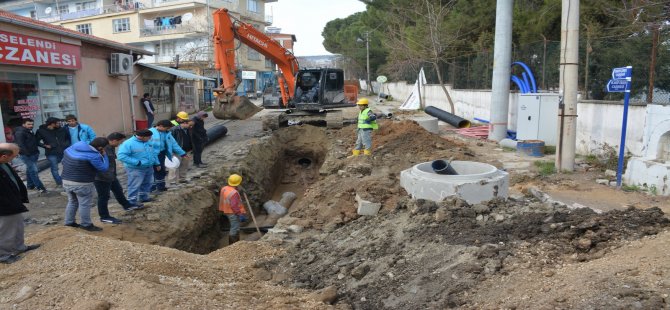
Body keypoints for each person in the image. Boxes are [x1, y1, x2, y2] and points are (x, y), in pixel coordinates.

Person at [0, 143, 40, 264]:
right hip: (5, 205)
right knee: (6, 230)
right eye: (15, 156)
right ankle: (3, 255)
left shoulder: (4, 163)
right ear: (4, 156)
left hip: (13, 202)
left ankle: (19, 247)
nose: (16, 159)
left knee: (18, 226)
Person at [62, 138, 109, 232]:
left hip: (66, 180)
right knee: (84, 204)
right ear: (100, 147)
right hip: (82, 183)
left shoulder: (72, 147)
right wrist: (105, 156)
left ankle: (69, 222)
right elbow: (104, 168)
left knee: (72, 202)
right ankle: (86, 224)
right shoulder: (93, 155)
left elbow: (63, 161)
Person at [94, 132, 134, 224]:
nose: (120, 144)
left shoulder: (111, 147)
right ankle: (104, 216)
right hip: (101, 178)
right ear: (114, 140)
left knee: (118, 190)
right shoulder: (103, 149)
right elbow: (100, 165)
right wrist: (107, 176)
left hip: (111, 175)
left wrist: (113, 175)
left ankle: (126, 205)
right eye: (120, 142)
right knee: (104, 196)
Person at [117, 129, 157, 208]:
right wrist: (137, 162)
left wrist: (156, 163)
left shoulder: (147, 142)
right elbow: (121, 156)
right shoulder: (128, 143)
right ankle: (132, 201)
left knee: (147, 183)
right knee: (134, 185)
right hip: (135, 168)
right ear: (142, 137)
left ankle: (144, 197)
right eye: (148, 137)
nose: (150, 138)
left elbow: (153, 153)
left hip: (148, 167)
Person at [149, 120, 187, 192]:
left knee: (161, 170)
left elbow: (174, 144)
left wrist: (182, 153)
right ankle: (152, 188)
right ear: (160, 126)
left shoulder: (167, 133)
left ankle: (161, 187)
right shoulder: (150, 132)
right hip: (151, 154)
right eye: (166, 128)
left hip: (161, 154)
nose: (167, 129)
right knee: (153, 171)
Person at [13, 119, 47, 193]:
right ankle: (41, 188)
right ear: (23, 124)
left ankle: (30, 185)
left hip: (34, 154)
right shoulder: (20, 132)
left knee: (30, 170)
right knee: (34, 171)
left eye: (32, 124)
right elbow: (20, 145)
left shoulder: (28, 131)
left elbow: (34, 141)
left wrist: (43, 146)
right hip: (27, 155)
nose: (31, 126)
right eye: (29, 124)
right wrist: (27, 154)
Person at [36, 117, 70, 187]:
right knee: (55, 168)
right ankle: (60, 182)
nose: (60, 124)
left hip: (63, 151)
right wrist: (45, 146)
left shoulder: (62, 129)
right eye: (58, 123)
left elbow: (68, 139)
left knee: (66, 166)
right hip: (51, 153)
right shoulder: (41, 131)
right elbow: (36, 141)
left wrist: (65, 145)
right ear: (52, 124)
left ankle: (66, 179)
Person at [219, 174, 247, 244]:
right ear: (238, 183)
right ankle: (233, 245)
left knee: (234, 226)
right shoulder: (234, 193)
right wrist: (240, 214)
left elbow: (228, 197)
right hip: (233, 212)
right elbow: (234, 205)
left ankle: (235, 242)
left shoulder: (224, 188)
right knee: (235, 228)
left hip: (226, 210)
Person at [168, 119, 194, 185]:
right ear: (185, 123)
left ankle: (182, 179)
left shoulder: (188, 130)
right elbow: (170, 141)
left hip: (187, 150)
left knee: (184, 165)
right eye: (190, 125)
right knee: (174, 166)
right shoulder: (174, 130)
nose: (191, 127)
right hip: (177, 151)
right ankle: (172, 181)